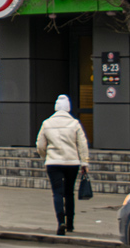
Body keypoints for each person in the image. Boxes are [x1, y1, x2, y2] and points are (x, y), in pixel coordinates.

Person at [37, 94, 90, 236]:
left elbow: (40, 145)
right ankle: (70, 223)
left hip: (53, 162)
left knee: (57, 193)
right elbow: (82, 144)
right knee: (69, 192)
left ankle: (60, 221)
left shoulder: (47, 123)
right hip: (72, 162)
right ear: (69, 108)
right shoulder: (75, 124)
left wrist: (45, 156)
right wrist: (84, 162)